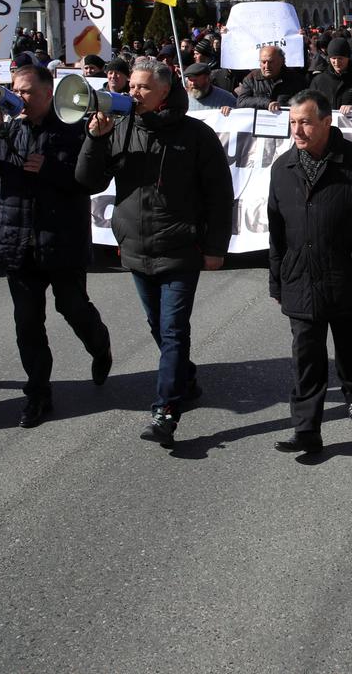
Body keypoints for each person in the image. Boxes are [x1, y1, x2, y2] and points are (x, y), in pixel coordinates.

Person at [77, 58, 234, 444]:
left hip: (181, 247)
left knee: (173, 329)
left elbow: (219, 195)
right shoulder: (121, 128)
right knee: (157, 326)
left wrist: (215, 247)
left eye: (143, 87)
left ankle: (166, 410)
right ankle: (186, 377)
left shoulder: (196, 134)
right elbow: (87, 181)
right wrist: (95, 140)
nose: (133, 93)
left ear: (165, 91)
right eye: (131, 86)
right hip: (136, 247)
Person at [0, 63, 113, 429]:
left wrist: (50, 169)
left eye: (28, 91)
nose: (19, 97)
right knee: (27, 324)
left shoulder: (74, 126)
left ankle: (99, 345)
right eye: (16, 90)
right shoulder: (9, 127)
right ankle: (38, 393)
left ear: (49, 93)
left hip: (61, 241)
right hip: (18, 242)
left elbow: (92, 181)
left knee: (73, 307)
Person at [267, 90, 352, 455]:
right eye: (293, 122)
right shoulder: (283, 168)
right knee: (305, 359)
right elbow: (276, 230)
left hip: (351, 280)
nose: (298, 129)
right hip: (301, 280)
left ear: (327, 122)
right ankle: (306, 429)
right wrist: (276, 277)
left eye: (306, 122)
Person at [309, 37, 352, 114]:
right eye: (333, 58)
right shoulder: (319, 81)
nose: (337, 62)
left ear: (348, 57)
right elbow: (310, 104)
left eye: (340, 58)